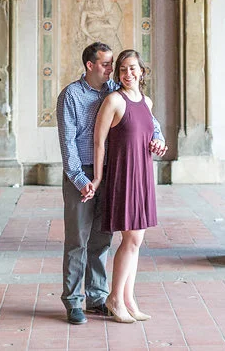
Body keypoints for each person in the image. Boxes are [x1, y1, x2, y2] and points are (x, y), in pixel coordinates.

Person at [57, 42, 167, 325]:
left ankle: (97, 297)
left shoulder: (114, 91)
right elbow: (68, 145)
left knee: (102, 239)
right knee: (77, 240)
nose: (112, 70)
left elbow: (149, 123)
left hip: (112, 172)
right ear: (90, 65)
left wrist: (159, 140)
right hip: (81, 172)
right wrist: (83, 180)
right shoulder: (71, 95)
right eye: (107, 64)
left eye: (113, 65)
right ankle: (74, 302)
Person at [88, 49, 159, 324]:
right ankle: (115, 298)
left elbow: (149, 135)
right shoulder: (113, 100)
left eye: (132, 69)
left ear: (142, 71)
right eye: (122, 70)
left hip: (143, 173)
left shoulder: (147, 102)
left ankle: (128, 299)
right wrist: (97, 178)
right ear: (118, 75)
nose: (127, 74)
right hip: (124, 175)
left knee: (136, 241)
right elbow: (98, 142)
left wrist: (157, 143)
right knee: (132, 239)